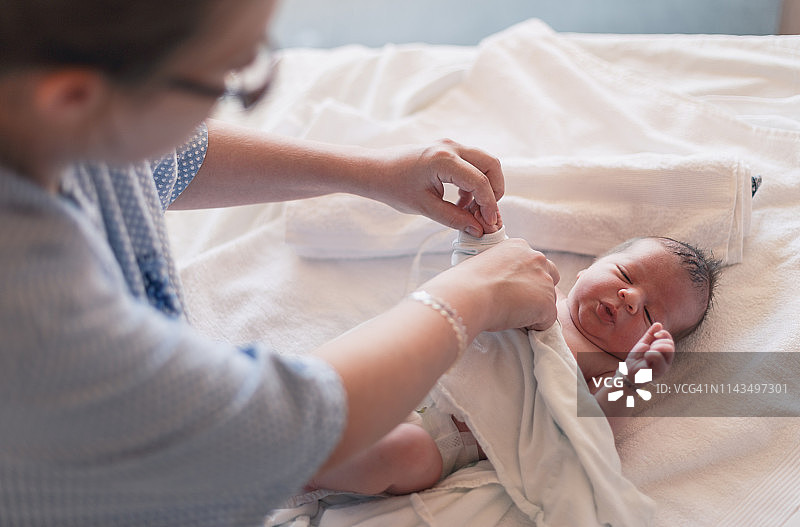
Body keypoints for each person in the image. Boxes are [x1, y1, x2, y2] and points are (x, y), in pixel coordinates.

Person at [0, 1, 561, 525]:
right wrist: (473, 295)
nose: (624, 297)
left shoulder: (54, 121)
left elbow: (169, 159)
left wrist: (373, 171)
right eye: (229, 73)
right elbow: (280, 424)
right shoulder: (34, 316)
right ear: (74, 98)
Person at [306, 235, 722, 496]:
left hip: (446, 437)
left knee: (401, 454)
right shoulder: (536, 288)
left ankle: (303, 471)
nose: (631, 298)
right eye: (625, 273)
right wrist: (480, 232)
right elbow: (478, 267)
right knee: (340, 387)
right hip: (418, 369)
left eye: (650, 314)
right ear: (588, 268)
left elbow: (591, 434)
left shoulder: (605, 371)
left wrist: (634, 382)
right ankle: (301, 439)